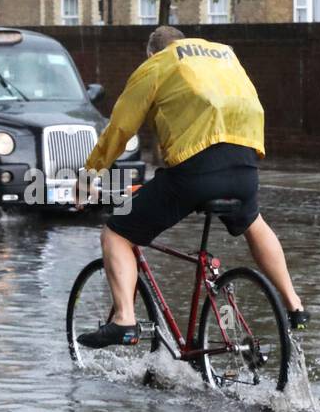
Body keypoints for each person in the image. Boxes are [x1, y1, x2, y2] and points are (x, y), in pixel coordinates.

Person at [77, 25, 307, 349]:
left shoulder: (158, 63)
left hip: (196, 171)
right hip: (245, 165)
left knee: (116, 234)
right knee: (254, 223)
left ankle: (125, 320)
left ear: (150, 52)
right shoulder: (224, 57)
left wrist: (88, 176)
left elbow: (120, 128)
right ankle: (294, 304)